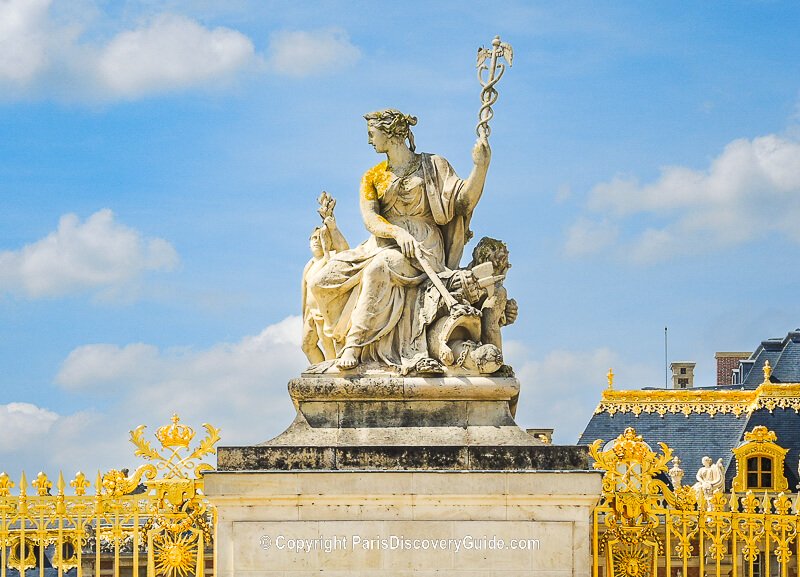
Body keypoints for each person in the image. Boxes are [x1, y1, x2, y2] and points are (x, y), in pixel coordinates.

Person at [309, 109, 490, 372]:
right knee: (320, 281)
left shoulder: (434, 165)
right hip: (383, 243)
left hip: (422, 247)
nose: (370, 141)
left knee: (379, 269)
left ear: (391, 133)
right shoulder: (372, 175)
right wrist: (396, 233)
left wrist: (480, 166)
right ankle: (332, 346)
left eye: (372, 134)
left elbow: (463, 202)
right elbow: (370, 219)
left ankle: (354, 344)